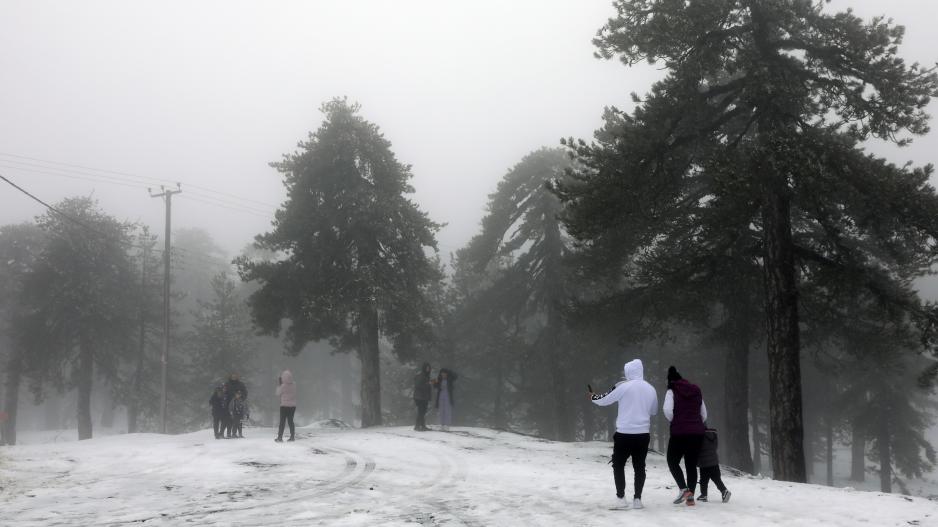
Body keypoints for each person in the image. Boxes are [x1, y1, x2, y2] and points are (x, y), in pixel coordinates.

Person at [589, 358, 659, 510]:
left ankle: (621, 498)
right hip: (643, 434)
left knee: (618, 465)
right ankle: (638, 500)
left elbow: (605, 400)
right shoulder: (651, 389)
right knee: (640, 467)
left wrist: (593, 397)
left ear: (628, 372)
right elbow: (654, 411)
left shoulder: (624, 387)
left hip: (624, 434)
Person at [663, 366, 707, 506]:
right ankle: (691, 496)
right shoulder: (696, 390)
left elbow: (667, 410)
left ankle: (683, 488)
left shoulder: (671, 391)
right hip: (697, 434)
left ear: (670, 380)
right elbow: (704, 414)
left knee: (672, 460)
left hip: (679, 433)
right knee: (691, 465)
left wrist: (676, 421)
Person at [697, 427, 731, 503]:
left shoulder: (700, 435)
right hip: (714, 460)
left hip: (704, 461)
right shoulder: (713, 434)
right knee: (716, 478)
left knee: (703, 480)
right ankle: (723, 491)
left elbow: (699, 447)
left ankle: (704, 495)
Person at [275, 370, 297, 442]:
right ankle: (292, 436)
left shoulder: (283, 386)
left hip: (284, 406)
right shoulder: (294, 385)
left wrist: (279, 384)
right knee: (291, 421)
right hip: (292, 406)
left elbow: (278, 393)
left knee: (282, 422)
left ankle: (280, 437)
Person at [224, 372, 248, 438]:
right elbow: (224, 392)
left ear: (237, 377)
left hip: (239, 404)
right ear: (230, 377)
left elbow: (245, 392)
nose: (234, 377)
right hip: (229, 404)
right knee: (229, 420)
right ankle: (229, 434)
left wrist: (241, 399)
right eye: (232, 376)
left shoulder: (241, 384)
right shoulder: (227, 384)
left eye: (235, 376)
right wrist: (225, 401)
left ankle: (239, 433)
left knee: (239, 422)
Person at [413, 362, 432, 431]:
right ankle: (417, 426)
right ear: (424, 368)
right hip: (420, 397)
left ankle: (422, 426)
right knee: (421, 411)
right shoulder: (421, 375)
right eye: (427, 368)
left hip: (424, 397)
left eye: (429, 368)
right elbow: (418, 385)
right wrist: (428, 384)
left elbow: (426, 386)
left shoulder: (426, 376)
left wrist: (430, 383)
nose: (428, 369)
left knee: (423, 411)